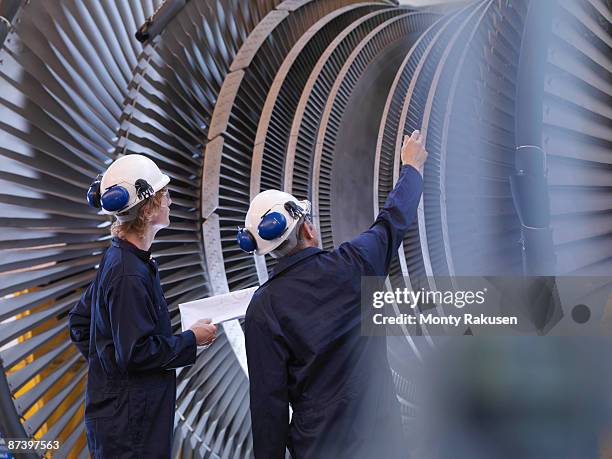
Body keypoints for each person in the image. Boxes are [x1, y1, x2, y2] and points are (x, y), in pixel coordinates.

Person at [237, 130, 427, 458]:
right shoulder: (354, 264)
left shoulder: (263, 309)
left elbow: (269, 407)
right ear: (308, 228)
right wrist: (411, 167)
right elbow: (392, 220)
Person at [68, 154, 217, 458]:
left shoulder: (121, 259)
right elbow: (136, 352)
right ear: (148, 210)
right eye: (166, 196)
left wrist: (110, 373)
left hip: (124, 417)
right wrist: (192, 340)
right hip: (130, 428)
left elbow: (80, 323)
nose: (170, 202)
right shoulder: (128, 274)